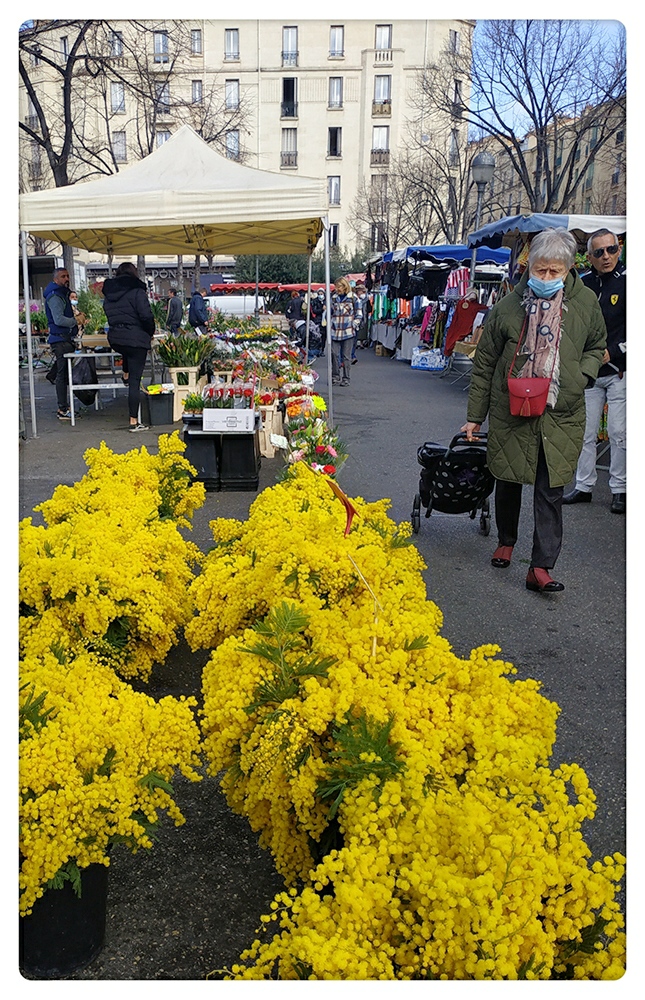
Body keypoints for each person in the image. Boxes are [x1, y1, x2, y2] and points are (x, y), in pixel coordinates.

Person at [461, 227, 607, 594]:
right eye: (538, 270)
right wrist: (474, 416)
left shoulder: (587, 302)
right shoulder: (508, 306)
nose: (544, 278)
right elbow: (486, 363)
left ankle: (540, 567)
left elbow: (596, 346)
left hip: (562, 411)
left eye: (553, 271)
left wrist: (580, 375)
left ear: (569, 268)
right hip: (512, 406)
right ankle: (506, 540)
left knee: (550, 490)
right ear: (529, 267)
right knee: (508, 478)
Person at [563, 229, 626, 514]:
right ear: (588, 257)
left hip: (621, 370)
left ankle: (620, 489)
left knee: (619, 432)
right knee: (584, 432)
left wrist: (614, 351)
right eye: (599, 252)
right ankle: (584, 485)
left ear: (619, 249)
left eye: (611, 249)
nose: (606, 256)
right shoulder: (583, 285)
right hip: (589, 372)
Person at [101, 261, 156, 432]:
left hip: (116, 338)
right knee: (135, 381)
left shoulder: (109, 294)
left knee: (127, 352)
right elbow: (146, 316)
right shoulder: (137, 292)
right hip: (136, 338)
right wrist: (149, 332)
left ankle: (125, 372)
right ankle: (134, 420)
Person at [43, 267, 86, 420]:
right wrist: (76, 320)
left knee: (63, 373)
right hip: (60, 339)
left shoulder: (61, 294)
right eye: (63, 276)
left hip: (64, 338)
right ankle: (62, 408)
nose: (66, 279)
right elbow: (59, 319)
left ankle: (64, 406)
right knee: (62, 374)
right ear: (56, 279)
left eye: (67, 276)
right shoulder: (55, 296)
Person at [328, 277, 361, 387]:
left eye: (339, 287)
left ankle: (346, 378)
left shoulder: (353, 298)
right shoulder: (333, 298)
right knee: (334, 354)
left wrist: (354, 324)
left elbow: (359, 314)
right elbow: (330, 312)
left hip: (348, 331)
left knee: (346, 356)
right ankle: (335, 376)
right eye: (336, 287)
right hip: (335, 331)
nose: (337, 289)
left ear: (344, 286)